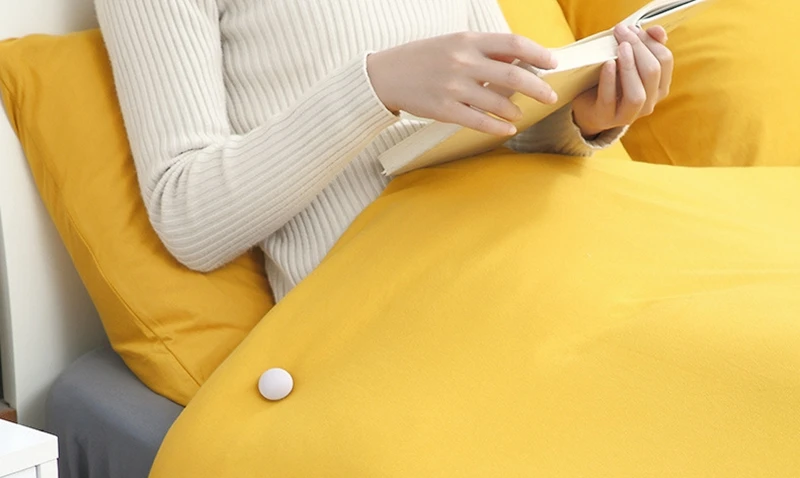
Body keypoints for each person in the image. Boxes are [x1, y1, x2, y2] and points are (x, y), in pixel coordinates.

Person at [95, 1, 673, 303]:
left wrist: (582, 117)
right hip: (382, 312)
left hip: (516, 263)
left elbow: (504, 128)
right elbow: (188, 215)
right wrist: (373, 87)